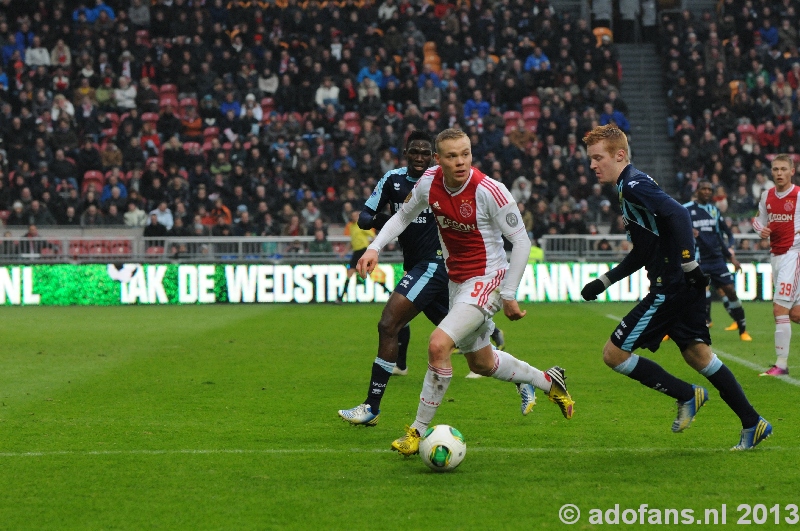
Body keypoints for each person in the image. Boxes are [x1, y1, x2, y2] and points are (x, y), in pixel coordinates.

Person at [356, 128, 574, 456]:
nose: (461, 162)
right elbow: (402, 216)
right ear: (438, 159)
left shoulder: (490, 191)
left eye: (466, 154)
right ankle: (548, 381)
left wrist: (510, 293)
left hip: (488, 280)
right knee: (483, 363)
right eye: (452, 156)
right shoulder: (429, 183)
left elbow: (522, 241)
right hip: (456, 282)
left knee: (437, 344)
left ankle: (416, 431)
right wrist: (374, 248)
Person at [580, 125, 770, 451]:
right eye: (591, 159)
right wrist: (604, 281)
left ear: (620, 155)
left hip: (671, 286)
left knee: (614, 354)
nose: (593, 165)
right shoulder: (629, 189)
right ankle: (753, 422)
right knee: (699, 355)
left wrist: (688, 264)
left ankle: (686, 394)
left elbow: (680, 213)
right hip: (682, 286)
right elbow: (643, 251)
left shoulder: (635, 184)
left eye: (598, 158)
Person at [337, 132, 513, 428]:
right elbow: (367, 217)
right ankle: (517, 371)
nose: (419, 157)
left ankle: (371, 406)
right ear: (406, 153)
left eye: (424, 153)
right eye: (414, 152)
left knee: (388, 323)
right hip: (416, 265)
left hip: (434, 262)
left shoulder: (440, 181)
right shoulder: (394, 180)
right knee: (469, 343)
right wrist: (393, 225)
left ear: (433, 156)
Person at [684, 180, 751, 340]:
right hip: (697, 260)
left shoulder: (714, 211)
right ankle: (672, 329)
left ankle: (743, 330)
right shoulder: (686, 210)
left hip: (716, 260)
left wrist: (731, 257)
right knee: (687, 295)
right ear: (697, 191)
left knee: (730, 291)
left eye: (709, 189)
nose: (707, 191)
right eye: (704, 188)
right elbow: (674, 228)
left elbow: (720, 236)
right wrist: (687, 230)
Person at [753, 154, 800, 376]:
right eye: (775, 169)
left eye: (783, 169)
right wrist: (759, 230)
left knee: (779, 308)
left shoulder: (799, 195)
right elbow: (758, 220)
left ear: (792, 171)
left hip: (794, 255)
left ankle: (781, 365)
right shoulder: (767, 196)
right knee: (795, 314)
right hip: (776, 256)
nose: (779, 173)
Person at [334, 210, 375, 304]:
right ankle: (340, 297)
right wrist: (344, 252)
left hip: (363, 251)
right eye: (353, 216)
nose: (355, 217)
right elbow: (352, 241)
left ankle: (340, 297)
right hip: (356, 252)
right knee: (351, 273)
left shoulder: (362, 225)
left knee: (367, 272)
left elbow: (373, 236)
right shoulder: (351, 226)